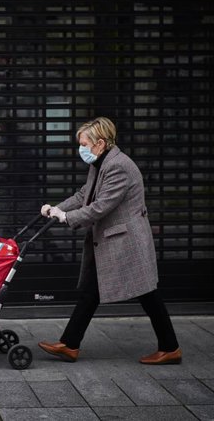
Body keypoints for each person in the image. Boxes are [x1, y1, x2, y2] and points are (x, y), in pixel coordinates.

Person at [38, 117, 181, 365]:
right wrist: (56, 209)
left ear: (100, 143)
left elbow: (100, 207)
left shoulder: (118, 167)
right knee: (92, 292)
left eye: (84, 143)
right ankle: (70, 344)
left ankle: (170, 348)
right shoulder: (100, 162)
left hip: (127, 241)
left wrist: (67, 217)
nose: (80, 149)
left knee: (148, 293)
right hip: (115, 239)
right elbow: (85, 194)